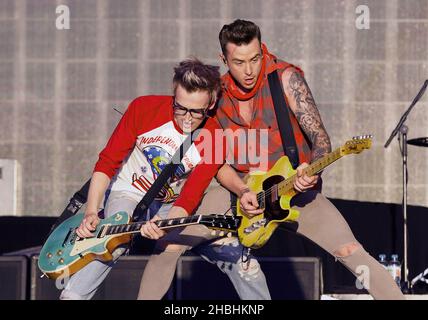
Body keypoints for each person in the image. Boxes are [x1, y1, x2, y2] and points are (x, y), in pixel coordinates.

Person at [211, 19, 405, 300]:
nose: (250, 69)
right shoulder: (217, 93)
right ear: (223, 59)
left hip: (297, 193)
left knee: (350, 251)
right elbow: (214, 159)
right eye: (239, 62)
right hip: (243, 196)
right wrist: (241, 190)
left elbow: (321, 139)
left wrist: (312, 168)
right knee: (174, 237)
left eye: (255, 58)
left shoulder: (285, 78)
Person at [60, 58, 270, 300]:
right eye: (180, 108)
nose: (187, 119)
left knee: (238, 258)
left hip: (173, 209)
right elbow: (107, 163)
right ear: (174, 92)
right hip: (127, 193)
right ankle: (72, 296)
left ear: (211, 103)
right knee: (114, 239)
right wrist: (92, 211)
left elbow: (191, 195)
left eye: (197, 112)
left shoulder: (215, 138)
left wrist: (164, 227)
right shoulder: (143, 108)